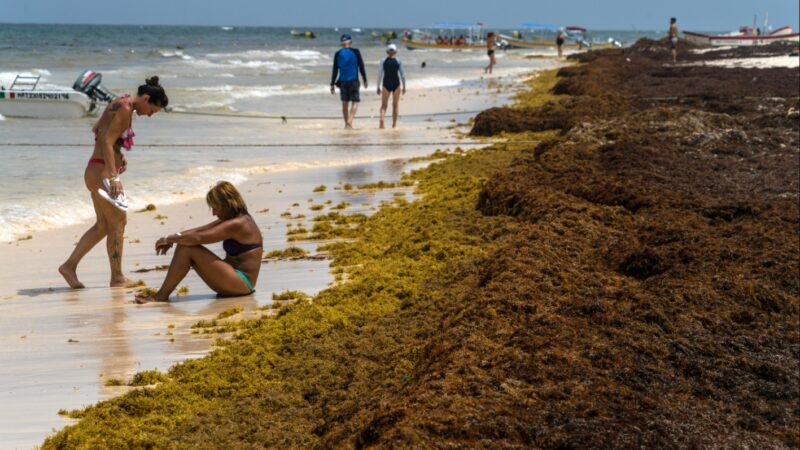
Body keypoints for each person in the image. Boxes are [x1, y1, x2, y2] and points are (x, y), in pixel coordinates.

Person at [59, 77, 168, 289]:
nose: (149, 115)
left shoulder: (120, 102)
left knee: (103, 226)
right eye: (152, 110)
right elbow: (107, 140)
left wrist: (118, 154)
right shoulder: (127, 108)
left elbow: (98, 130)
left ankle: (69, 267)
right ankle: (117, 277)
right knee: (119, 221)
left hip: (95, 169)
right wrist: (113, 176)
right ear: (146, 98)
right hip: (102, 172)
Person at [135, 181, 263, 303]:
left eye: (215, 208)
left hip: (241, 283)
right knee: (185, 245)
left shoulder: (239, 223)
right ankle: (161, 295)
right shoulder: (234, 219)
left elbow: (198, 238)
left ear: (227, 205)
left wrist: (169, 239)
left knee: (187, 248)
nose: (213, 213)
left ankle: (161, 296)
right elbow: (200, 230)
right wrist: (172, 237)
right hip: (234, 281)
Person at [330, 33, 368, 129]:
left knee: (344, 103)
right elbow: (361, 66)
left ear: (342, 43)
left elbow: (335, 70)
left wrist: (332, 84)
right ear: (350, 42)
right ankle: (350, 121)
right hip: (353, 81)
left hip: (343, 82)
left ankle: (347, 125)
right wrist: (365, 79)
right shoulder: (356, 51)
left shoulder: (337, 54)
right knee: (355, 102)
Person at [376, 43, 407, 129]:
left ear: (387, 52)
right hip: (396, 84)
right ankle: (394, 124)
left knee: (384, 105)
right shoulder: (398, 61)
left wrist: (378, 86)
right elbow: (403, 74)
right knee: (395, 105)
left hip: (386, 84)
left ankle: (382, 119)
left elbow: (379, 74)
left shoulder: (383, 61)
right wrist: (404, 86)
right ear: (396, 52)